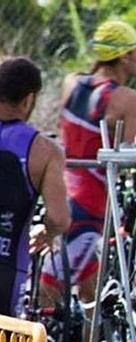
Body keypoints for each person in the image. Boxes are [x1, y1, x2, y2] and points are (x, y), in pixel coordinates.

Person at [42, 19, 136, 342]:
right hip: (90, 207)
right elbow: (133, 157)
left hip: (61, 188)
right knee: (49, 290)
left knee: (90, 294)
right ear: (123, 57)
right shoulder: (128, 100)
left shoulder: (72, 84)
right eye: (135, 51)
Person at [0, 57, 70, 317]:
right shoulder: (44, 150)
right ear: (29, 99)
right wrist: (47, 233)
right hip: (7, 268)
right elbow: (59, 218)